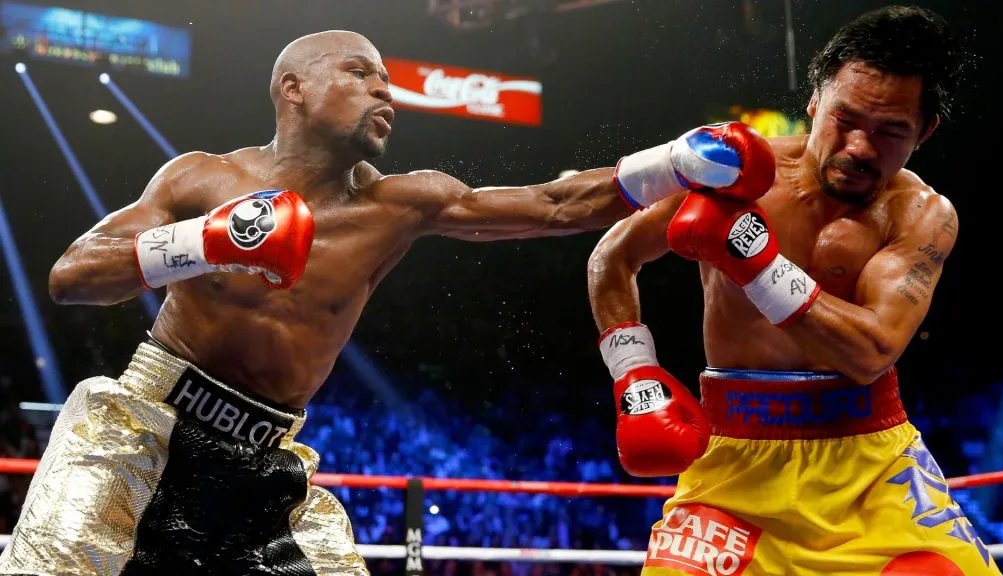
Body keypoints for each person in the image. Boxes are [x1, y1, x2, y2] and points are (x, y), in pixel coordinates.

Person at [0, 30, 769, 576]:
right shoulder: (201, 180)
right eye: (361, 73)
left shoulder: (403, 204)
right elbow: (72, 275)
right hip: (142, 430)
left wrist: (673, 163)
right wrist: (209, 241)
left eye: (386, 81)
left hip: (265, 462)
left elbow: (555, 204)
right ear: (292, 88)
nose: (384, 92)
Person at [588, 6, 1000, 576]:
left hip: (870, 470)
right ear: (814, 102)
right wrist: (634, 373)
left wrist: (757, 263)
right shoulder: (733, 173)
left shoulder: (921, 215)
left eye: (889, 131)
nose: (860, 146)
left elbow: (870, 352)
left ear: (923, 132)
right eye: (846, 119)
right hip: (734, 464)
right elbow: (613, 255)